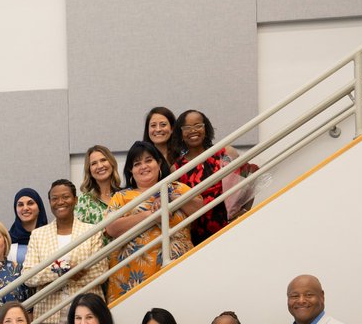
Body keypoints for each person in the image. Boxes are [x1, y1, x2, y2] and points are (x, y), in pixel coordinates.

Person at [104, 141, 200, 304]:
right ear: (131, 170)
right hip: (131, 276)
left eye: (149, 160)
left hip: (175, 268)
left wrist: (169, 198)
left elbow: (198, 208)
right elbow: (111, 228)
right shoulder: (121, 196)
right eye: (137, 164)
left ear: (159, 163)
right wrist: (150, 215)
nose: (143, 167)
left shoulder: (176, 188)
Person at [22, 179, 109, 324]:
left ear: (75, 200)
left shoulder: (91, 231)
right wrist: (63, 270)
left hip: (88, 311)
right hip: (50, 313)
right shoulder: (38, 235)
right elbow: (28, 276)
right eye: (54, 198)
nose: (60, 202)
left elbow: (100, 272)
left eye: (65, 197)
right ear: (49, 202)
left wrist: (63, 272)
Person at [172, 109, 240, 246]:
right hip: (197, 236)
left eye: (198, 125)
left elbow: (244, 185)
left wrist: (242, 212)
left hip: (231, 225)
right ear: (181, 133)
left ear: (206, 128)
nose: (193, 131)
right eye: (187, 127)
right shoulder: (176, 169)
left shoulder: (226, 152)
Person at [74, 145, 123, 228]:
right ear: (89, 170)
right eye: (94, 163)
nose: (100, 166)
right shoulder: (84, 200)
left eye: (103, 160)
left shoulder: (124, 194)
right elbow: (78, 233)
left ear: (112, 163)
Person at [7, 187, 49, 267]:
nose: (25, 208)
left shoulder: (50, 237)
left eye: (30, 203)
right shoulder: (6, 240)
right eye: (20, 205)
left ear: (39, 207)